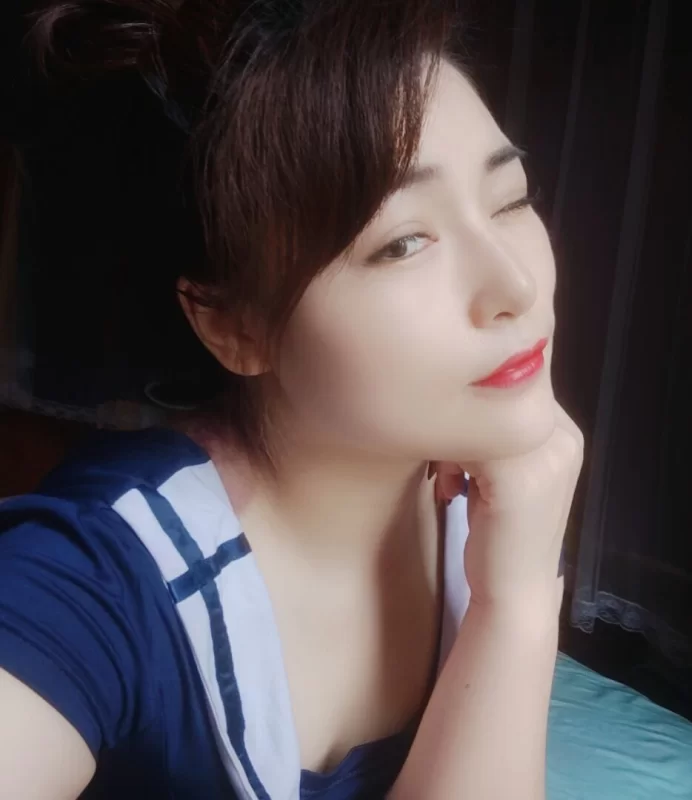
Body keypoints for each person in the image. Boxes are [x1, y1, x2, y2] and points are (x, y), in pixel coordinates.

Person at [0, 0, 583, 798]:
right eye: (403, 243)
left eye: (510, 199)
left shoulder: (500, 504)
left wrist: (515, 607)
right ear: (233, 325)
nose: (514, 286)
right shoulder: (96, 581)